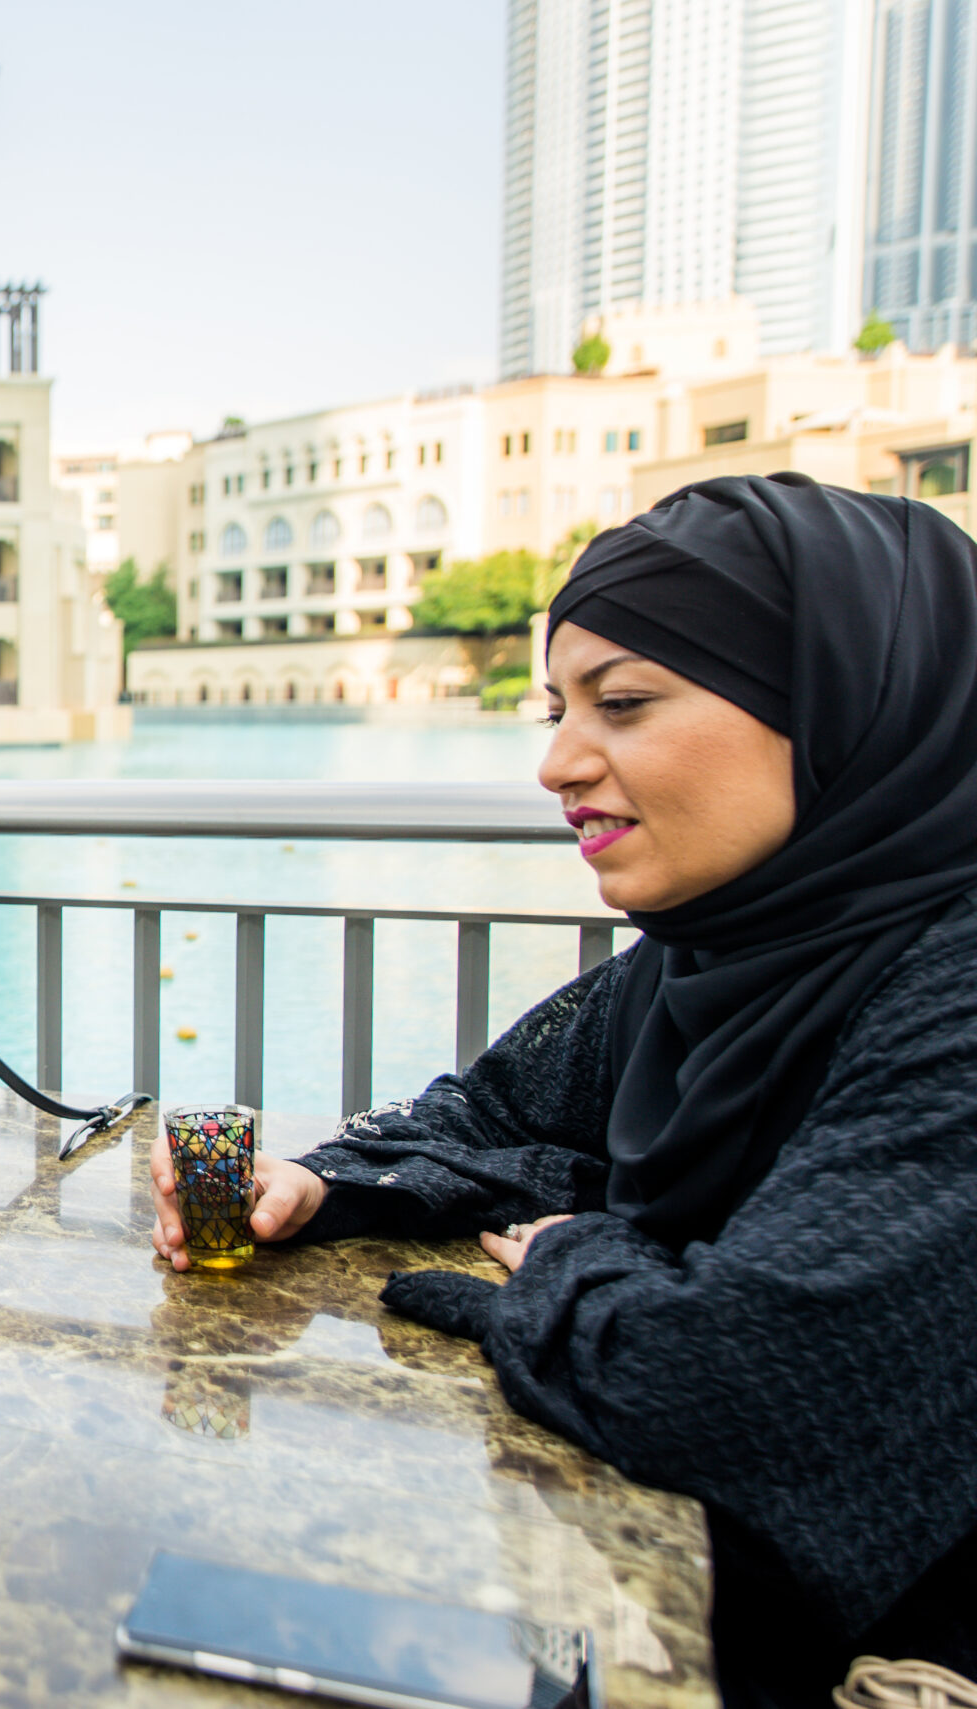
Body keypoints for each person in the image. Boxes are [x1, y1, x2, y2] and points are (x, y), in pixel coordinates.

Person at [147, 473, 977, 1701]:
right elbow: (490, 1110)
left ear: (847, 703)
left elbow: (725, 1386)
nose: (556, 762)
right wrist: (322, 1187)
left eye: (624, 703)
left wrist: (578, 1254)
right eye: (556, 707)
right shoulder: (703, 962)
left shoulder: (952, 999)